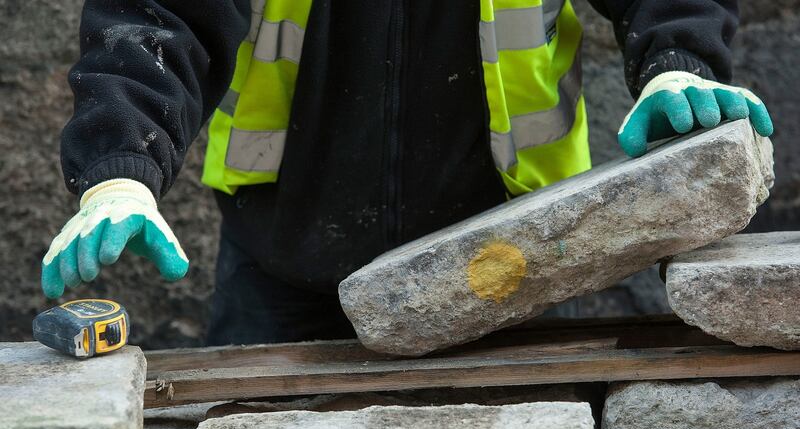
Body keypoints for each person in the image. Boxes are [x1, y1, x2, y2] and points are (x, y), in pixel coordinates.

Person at [42, 0, 773, 345]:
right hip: (287, 275)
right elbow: (160, 15)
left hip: (508, 266)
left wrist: (680, 60)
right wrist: (121, 167)